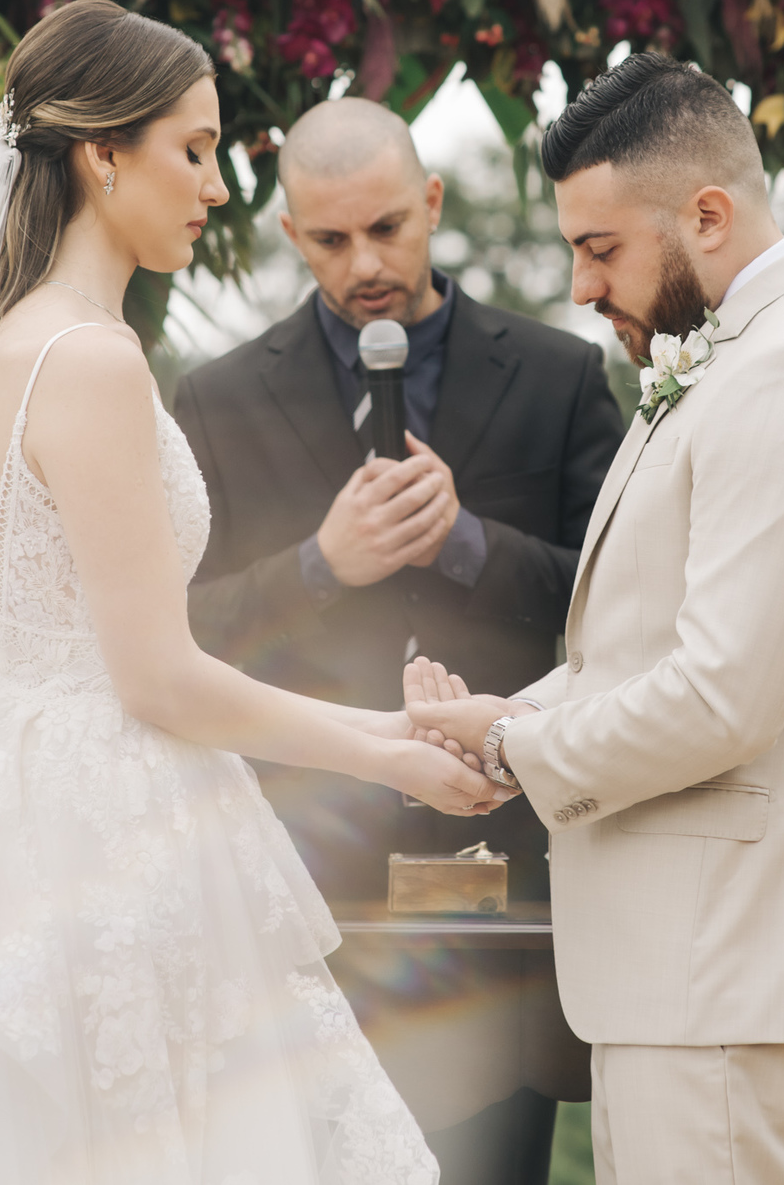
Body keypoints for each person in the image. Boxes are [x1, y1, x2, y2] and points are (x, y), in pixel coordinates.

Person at [0, 0, 511, 1184]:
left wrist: (393, 723)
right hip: (102, 817)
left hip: (20, 787)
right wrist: (388, 754)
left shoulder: (10, 346)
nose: (216, 185)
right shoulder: (91, 362)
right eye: (194, 147)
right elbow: (157, 675)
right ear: (100, 155)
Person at [405, 53, 784, 1185]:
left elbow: (719, 700)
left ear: (709, 213)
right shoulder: (725, 362)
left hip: (725, 959)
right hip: (680, 965)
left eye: (601, 250)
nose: (583, 288)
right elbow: (632, 647)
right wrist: (506, 715)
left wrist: (512, 746)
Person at [175, 96, 625, 1184]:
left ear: (431, 203)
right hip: (304, 887)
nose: (364, 261)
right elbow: (173, 638)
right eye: (330, 240)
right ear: (290, 235)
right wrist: (318, 567)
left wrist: (471, 544)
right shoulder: (216, 400)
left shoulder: (561, 377)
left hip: (512, 880)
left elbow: (628, 605)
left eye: (387, 226)